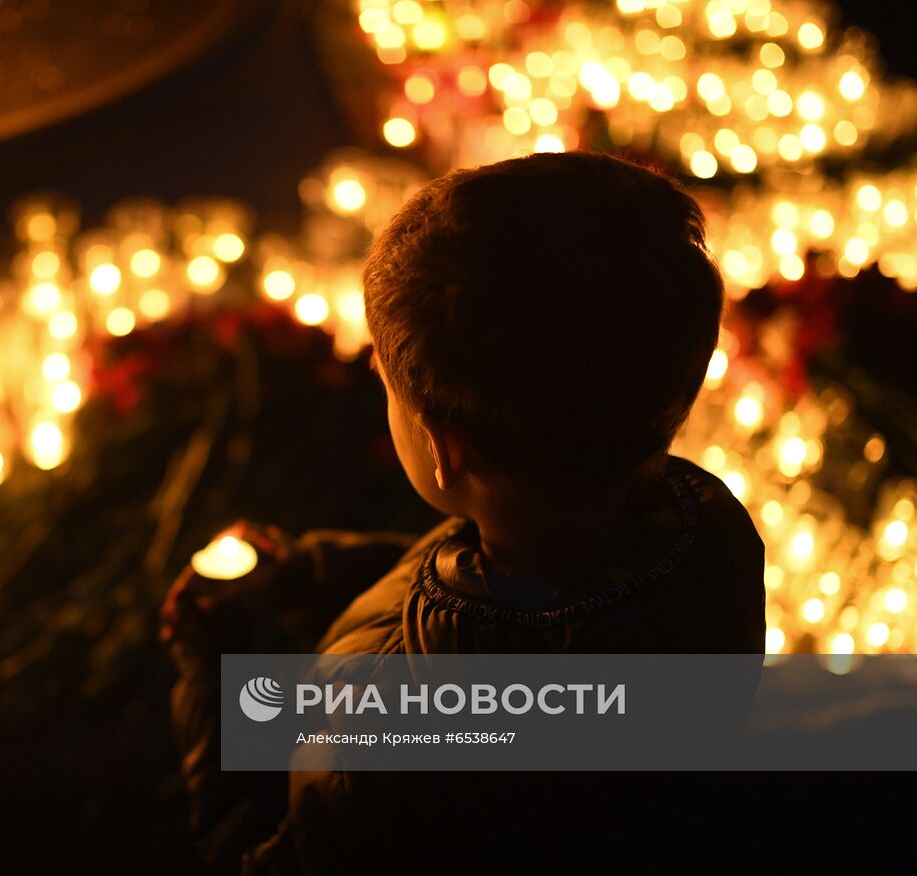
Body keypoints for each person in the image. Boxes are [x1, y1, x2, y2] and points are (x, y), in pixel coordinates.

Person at [161, 151, 766, 872]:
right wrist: (314, 578)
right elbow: (512, 608)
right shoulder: (709, 534)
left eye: (387, 386)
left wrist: (210, 684)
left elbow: (261, 854)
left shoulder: (379, 752)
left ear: (448, 448)